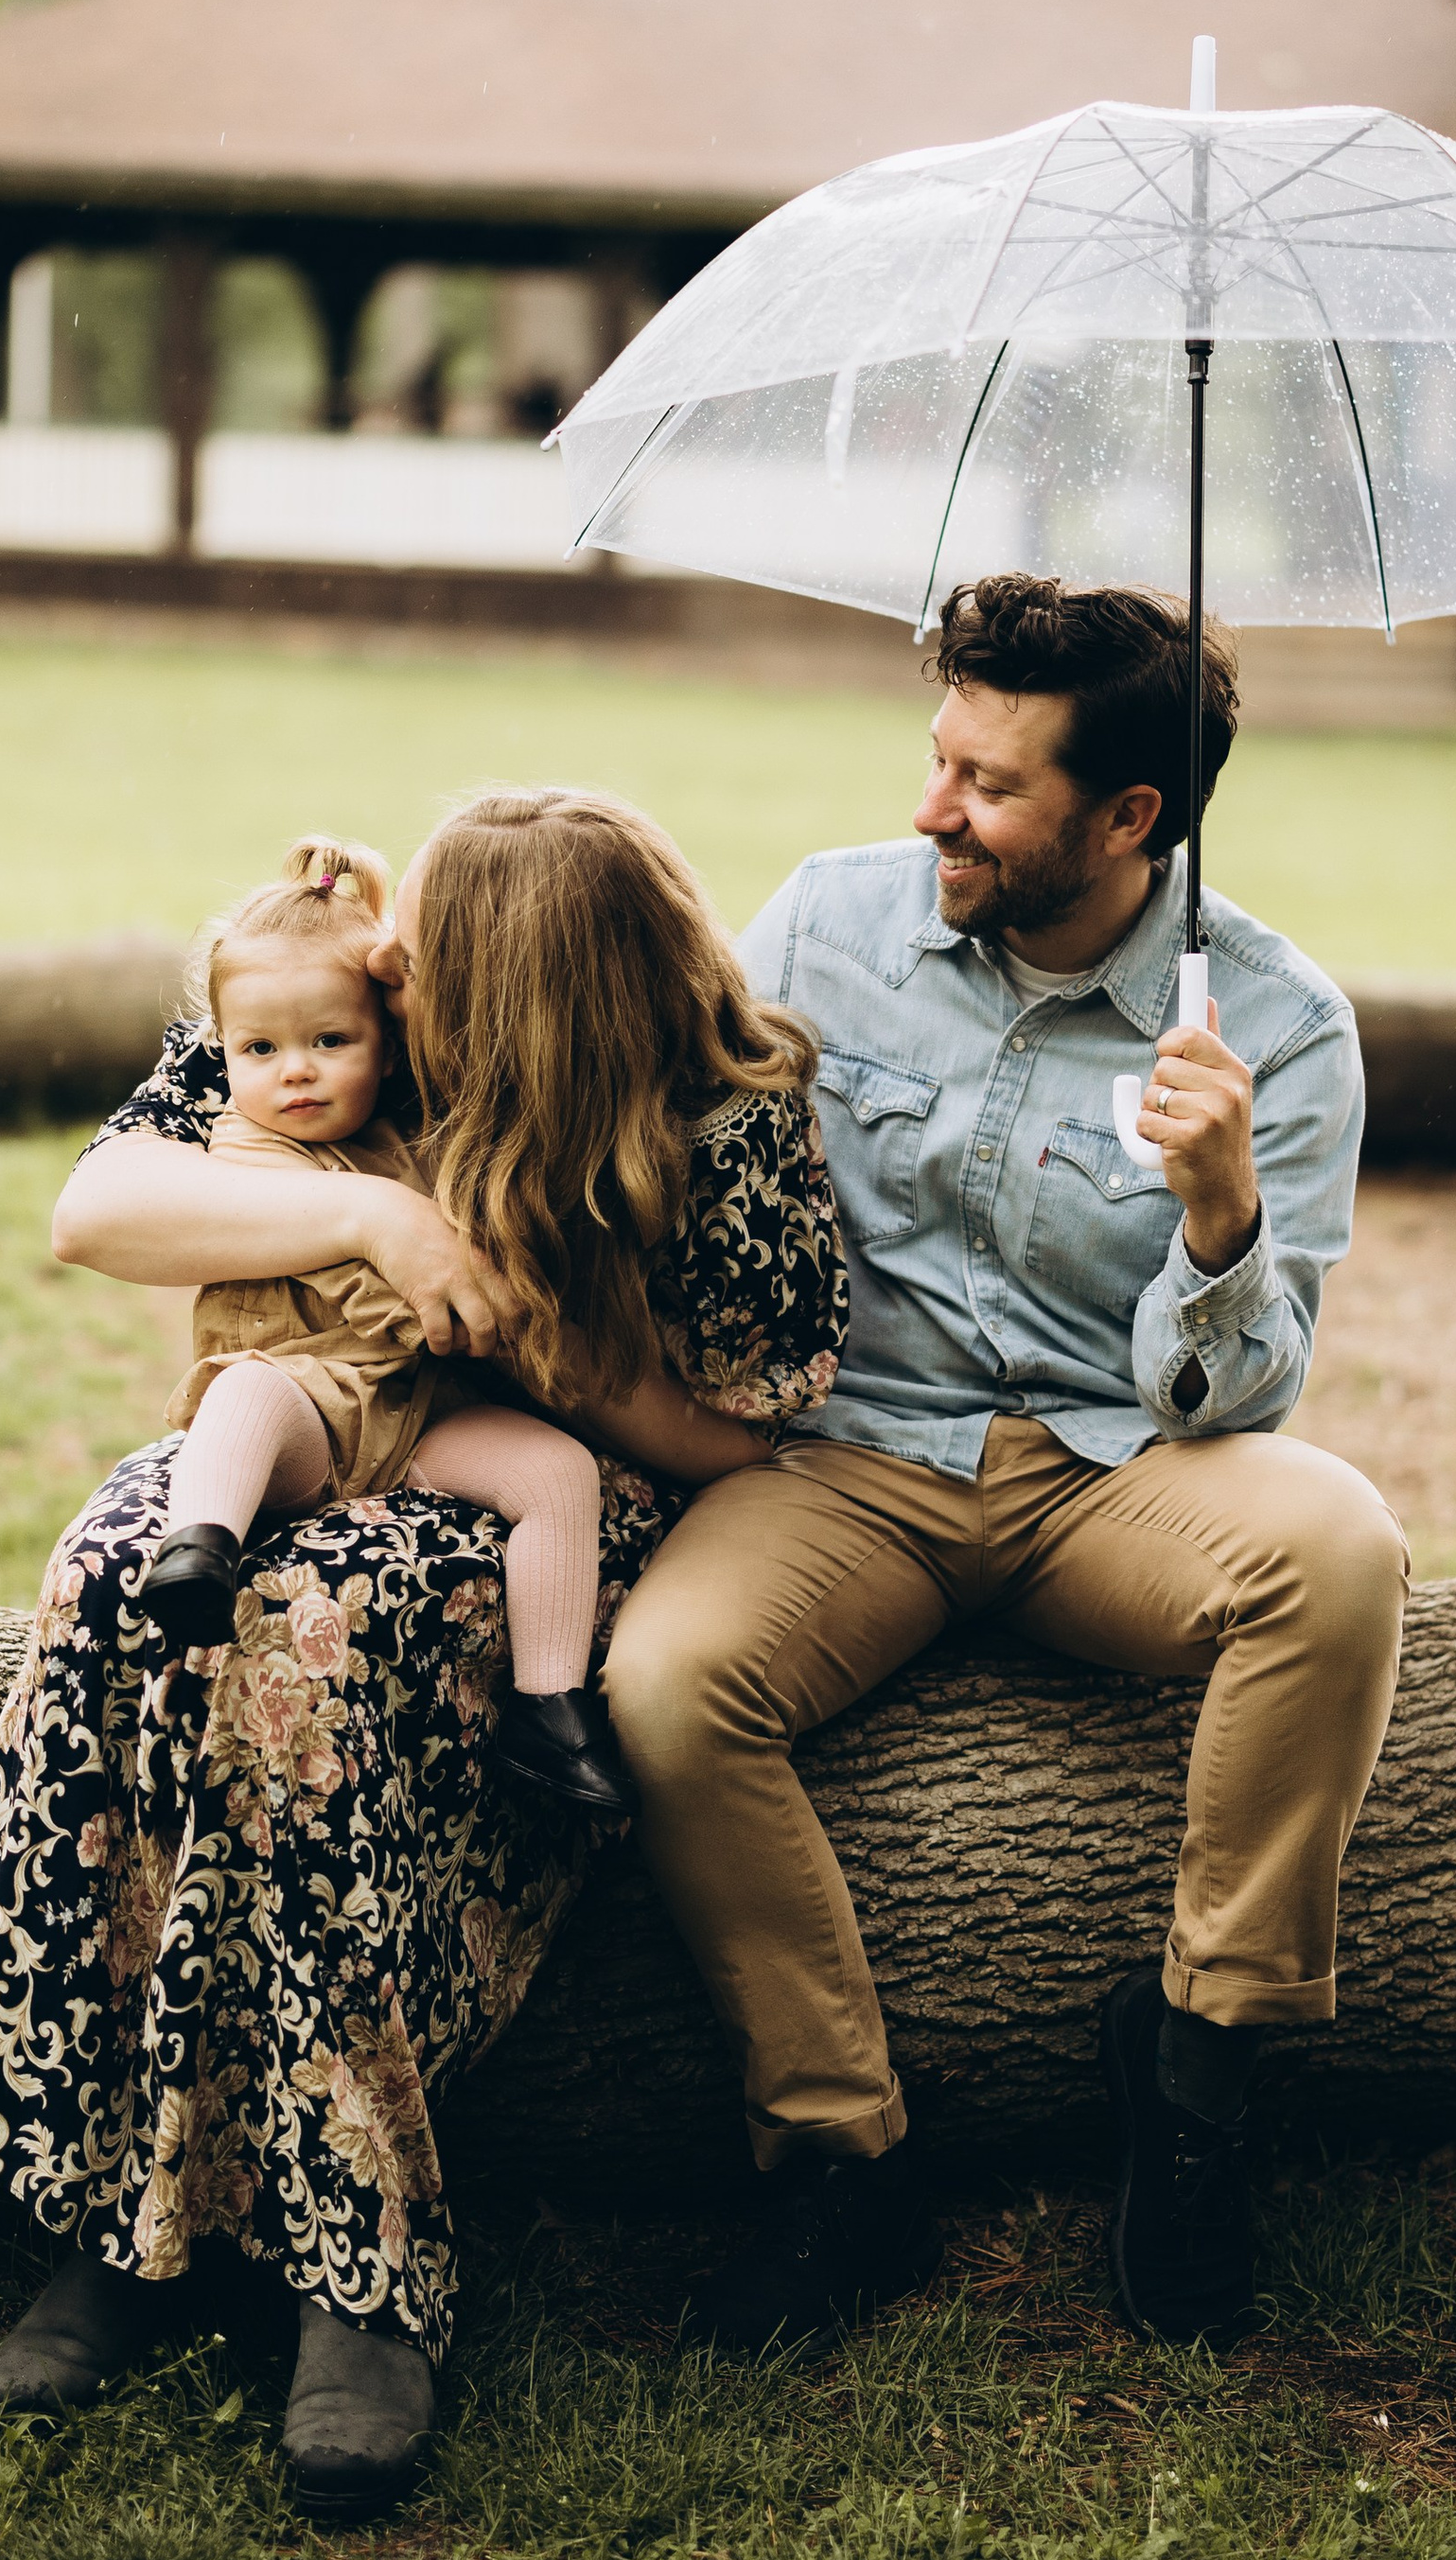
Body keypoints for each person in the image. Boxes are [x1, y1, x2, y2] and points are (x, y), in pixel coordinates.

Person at [0, 788, 846, 2520]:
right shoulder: (361, 1023)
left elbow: (746, 1433)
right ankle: (133, 2213)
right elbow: (101, 1207)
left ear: (524, 1002)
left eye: (431, 960)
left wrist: (540, 1349)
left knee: (314, 1649)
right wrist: (376, 1224)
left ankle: (362, 2265)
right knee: (122, 1582)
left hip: (556, 1482)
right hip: (310, 1421)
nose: (392, 964)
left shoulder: (727, 1110)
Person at [600, 572, 1410, 2357]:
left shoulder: (1276, 1026)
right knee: (664, 1685)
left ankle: (1201, 2060)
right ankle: (838, 2153)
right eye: (937, 757)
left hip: (1112, 1469)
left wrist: (1218, 1220)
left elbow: (1243, 1406)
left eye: (988, 785)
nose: (931, 810)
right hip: (852, 1460)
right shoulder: (826, 926)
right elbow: (665, 1152)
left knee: (1338, 1548)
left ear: (1130, 818)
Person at [147, 827, 669, 1815]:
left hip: (417, 1410)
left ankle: (549, 1710)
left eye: (328, 1043)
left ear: (386, 1046)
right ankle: (199, 1544)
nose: (293, 1073)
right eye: (259, 1049)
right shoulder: (249, 1152)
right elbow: (378, 1293)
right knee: (248, 1388)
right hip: (309, 1406)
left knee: (558, 1474)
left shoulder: (415, 1136)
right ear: (225, 1054)